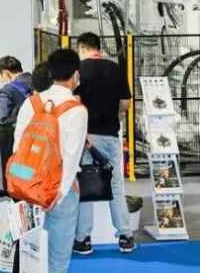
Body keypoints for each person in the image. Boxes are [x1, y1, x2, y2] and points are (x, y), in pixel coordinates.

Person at [13, 49, 87, 273]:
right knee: (58, 259)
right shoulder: (77, 110)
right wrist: (61, 192)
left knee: (28, 255)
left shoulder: (31, 103)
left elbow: (18, 148)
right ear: (75, 75)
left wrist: (21, 183)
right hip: (57, 190)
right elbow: (72, 156)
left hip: (26, 186)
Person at [73, 32, 136, 255]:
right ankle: (126, 236)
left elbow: (75, 103)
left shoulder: (79, 70)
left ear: (82, 48)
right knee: (116, 185)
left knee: (85, 184)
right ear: (98, 47)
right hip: (111, 135)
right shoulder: (115, 68)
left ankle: (83, 239)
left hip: (88, 137)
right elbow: (126, 104)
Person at [0, 56, 32, 122]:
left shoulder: (6, 91)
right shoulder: (37, 81)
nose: (2, 81)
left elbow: (3, 120)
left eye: (0, 76)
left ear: (6, 73)